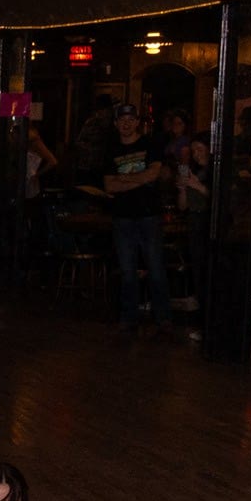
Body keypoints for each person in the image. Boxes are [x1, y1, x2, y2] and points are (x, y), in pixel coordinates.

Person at [100, 103, 174, 335]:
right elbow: (109, 185)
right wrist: (140, 179)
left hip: (149, 215)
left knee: (156, 268)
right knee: (127, 270)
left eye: (130, 119)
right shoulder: (111, 149)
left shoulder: (149, 144)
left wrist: (125, 180)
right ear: (116, 124)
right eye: (122, 120)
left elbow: (154, 173)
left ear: (137, 122)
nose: (126, 123)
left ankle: (163, 317)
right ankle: (129, 317)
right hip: (122, 217)